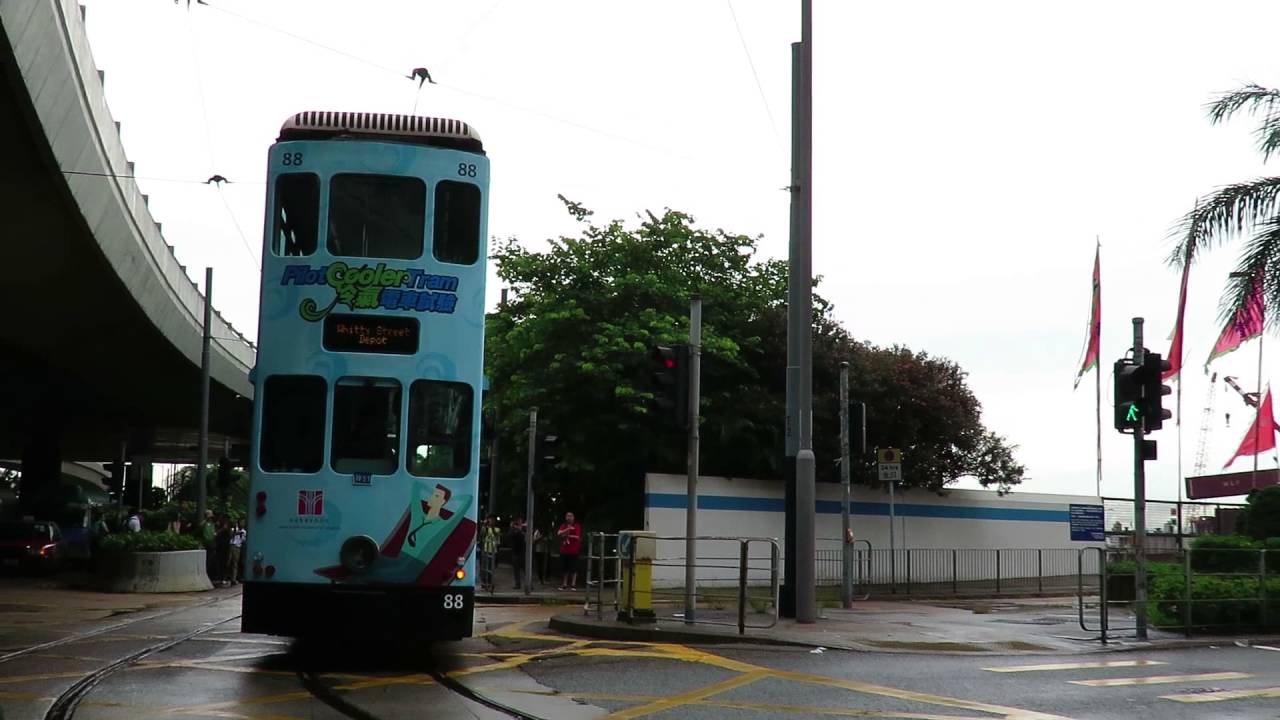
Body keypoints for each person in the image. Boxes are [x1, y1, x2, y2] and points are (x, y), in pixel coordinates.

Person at [557, 511, 582, 591]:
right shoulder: (563, 525)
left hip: (574, 550)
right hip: (564, 550)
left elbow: (577, 536)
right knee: (565, 568)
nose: (569, 517)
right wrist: (567, 529)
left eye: (571, 516)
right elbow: (559, 533)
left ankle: (573, 584)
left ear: (573, 517)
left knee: (573, 568)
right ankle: (564, 584)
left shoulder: (577, 526)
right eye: (567, 516)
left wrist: (567, 535)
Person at [479, 516, 500, 591]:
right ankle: (484, 582)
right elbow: (481, 535)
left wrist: (492, 528)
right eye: (489, 520)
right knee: (485, 566)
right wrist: (484, 525)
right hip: (485, 549)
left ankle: (490, 582)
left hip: (493, 550)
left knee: (491, 567)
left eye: (492, 520)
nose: (490, 521)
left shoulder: (497, 529)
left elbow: (497, 537)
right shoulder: (485, 528)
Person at [506, 516, 527, 589]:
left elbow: (525, 536)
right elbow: (509, 535)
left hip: (523, 551)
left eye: (520, 520)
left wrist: (520, 529)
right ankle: (518, 584)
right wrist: (515, 529)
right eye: (518, 520)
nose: (519, 522)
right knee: (516, 569)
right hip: (515, 551)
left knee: (525, 569)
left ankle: (529, 584)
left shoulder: (524, 528)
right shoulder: (513, 529)